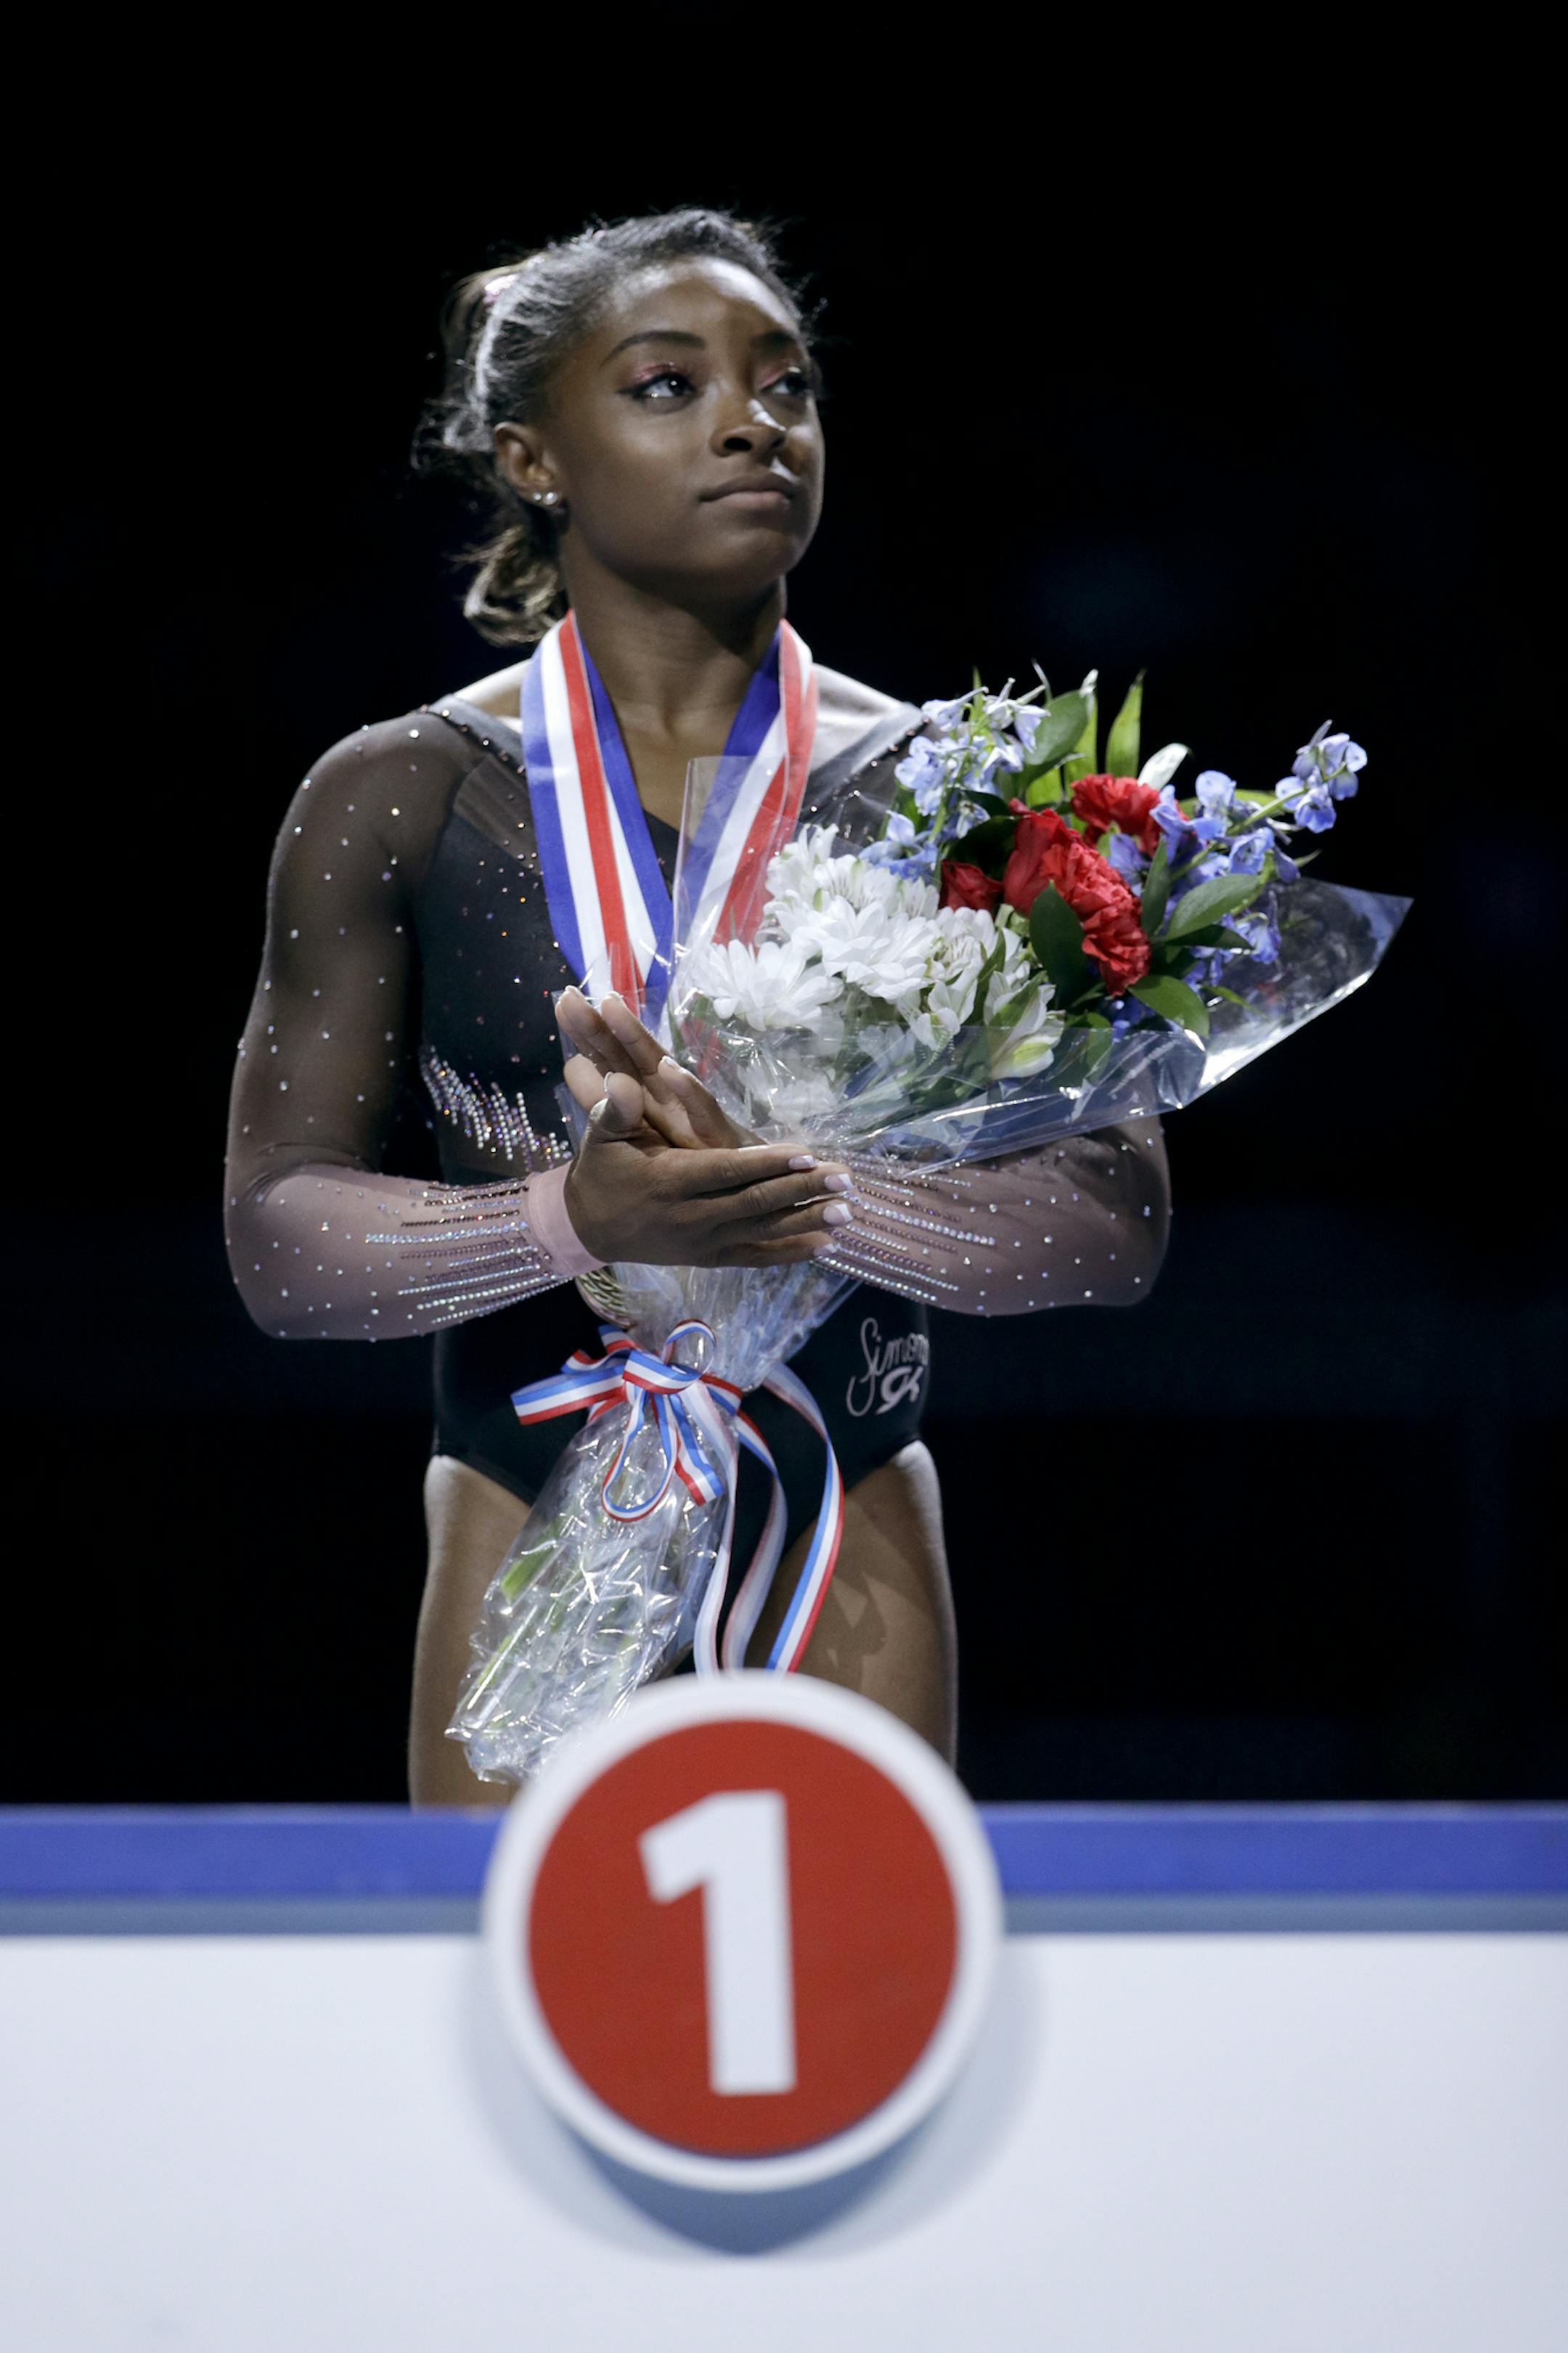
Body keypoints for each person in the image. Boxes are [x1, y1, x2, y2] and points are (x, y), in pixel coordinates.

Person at [224, 209, 1171, 1806]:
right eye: (668, 385)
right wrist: (566, 1219)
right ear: (536, 457)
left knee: (861, 2037)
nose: (754, 421)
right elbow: (276, 1243)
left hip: (847, 1515)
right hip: (527, 1516)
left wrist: (807, 1201)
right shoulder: (395, 796)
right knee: (503, 2031)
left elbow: (1117, 1218)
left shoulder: (964, 796)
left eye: (786, 384)